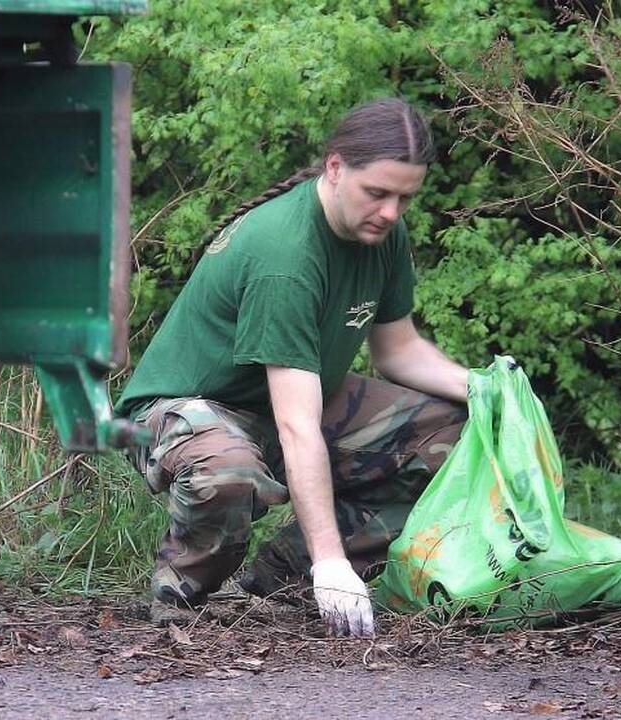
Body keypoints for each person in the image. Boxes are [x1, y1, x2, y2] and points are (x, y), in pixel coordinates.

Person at [115, 98, 471, 637]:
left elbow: (398, 350)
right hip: (185, 415)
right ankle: (182, 593)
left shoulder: (382, 235)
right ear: (334, 168)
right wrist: (334, 561)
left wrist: (488, 390)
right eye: (377, 193)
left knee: (453, 435)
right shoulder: (286, 256)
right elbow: (295, 426)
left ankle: (279, 580)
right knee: (228, 472)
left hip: (286, 407)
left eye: (405, 197)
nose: (392, 212)